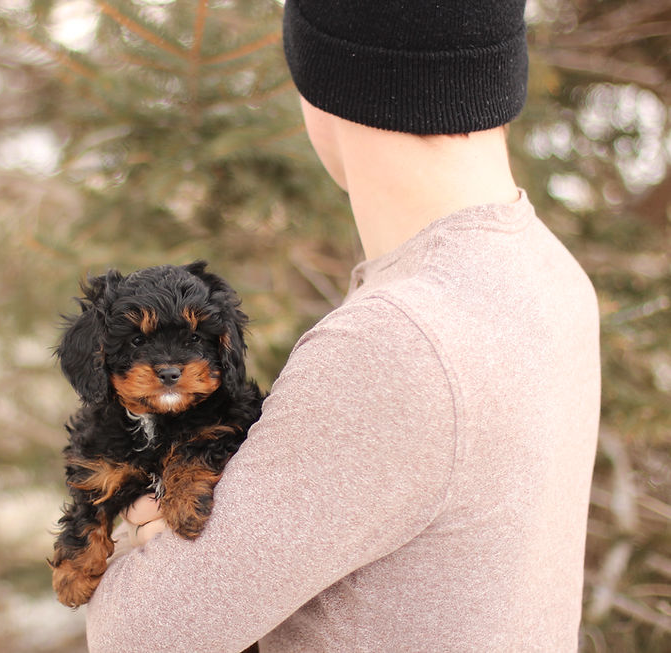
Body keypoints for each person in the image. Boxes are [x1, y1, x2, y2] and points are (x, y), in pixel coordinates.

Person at [85, 1, 601, 651]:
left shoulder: (394, 345)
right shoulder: (550, 274)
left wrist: (153, 536)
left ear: (326, 86)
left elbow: (140, 637)